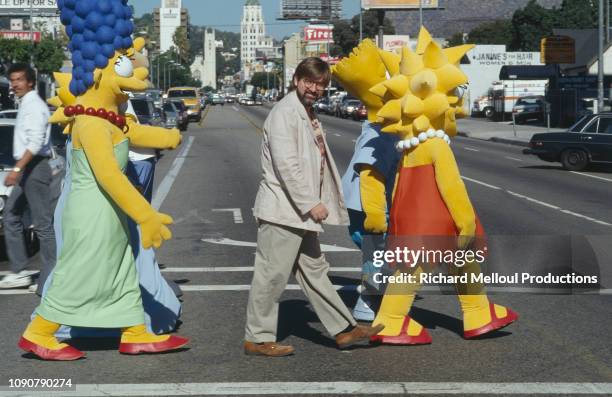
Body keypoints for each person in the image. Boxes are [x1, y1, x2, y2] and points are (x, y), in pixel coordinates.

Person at [244, 57, 384, 357]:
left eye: (320, 84)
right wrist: (311, 204)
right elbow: (287, 166)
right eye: (309, 81)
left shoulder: (304, 112)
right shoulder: (285, 113)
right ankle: (257, 338)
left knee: (316, 273)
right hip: (284, 211)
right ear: (297, 80)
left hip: (297, 213)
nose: (314, 88)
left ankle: (345, 330)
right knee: (271, 275)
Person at [0, 63, 56, 293]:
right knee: (11, 215)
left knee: (42, 224)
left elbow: (35, 143)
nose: (15, 84)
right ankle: (20, 271)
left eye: (19, 79)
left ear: (31, 81)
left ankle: (53, 276)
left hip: (34, 167)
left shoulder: (34, 106)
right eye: (12, 80)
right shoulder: (26, 104)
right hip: (28, 167)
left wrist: (16, 170)